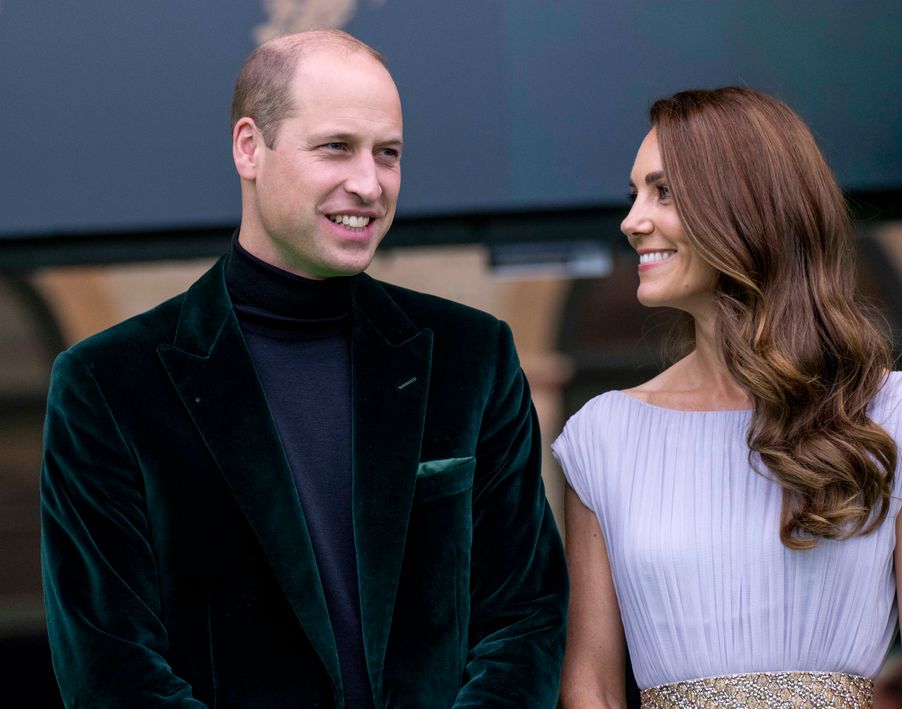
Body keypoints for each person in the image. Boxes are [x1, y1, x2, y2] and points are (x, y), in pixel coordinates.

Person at [40, 29, 568, 708]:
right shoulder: (107, 384)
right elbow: (110, 665)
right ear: (248, 147)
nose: (368, 183)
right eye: (336, 148)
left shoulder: (474, 356)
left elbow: (524, 616)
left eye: (389, 154)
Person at [554, 87, 902, 708]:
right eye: (634, 193)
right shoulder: (603, 437)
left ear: (744, 207)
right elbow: (589, 688)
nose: (632, 220)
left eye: (663, 191)